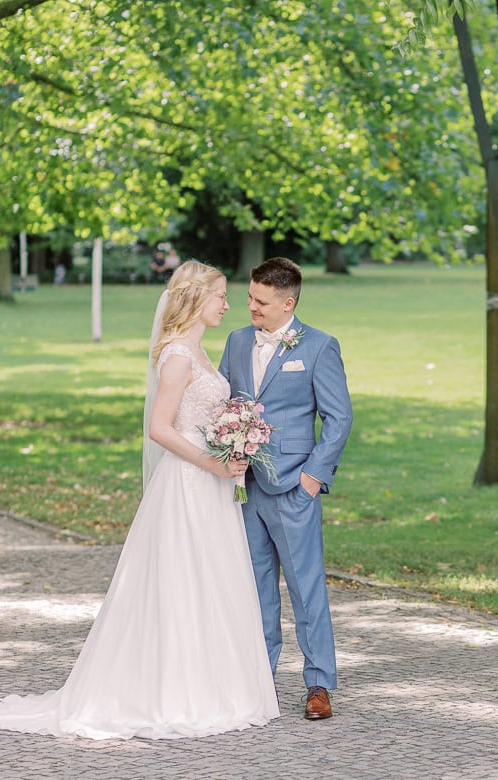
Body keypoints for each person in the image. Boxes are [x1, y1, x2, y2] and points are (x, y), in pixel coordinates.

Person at [0, 261, 280, 739]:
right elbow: (160, 428)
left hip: (213, 484)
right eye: (221, 295)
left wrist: (233, 444)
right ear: (196, 298)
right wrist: (212, 461)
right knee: (183, 579)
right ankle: (174, 692)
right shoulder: (177, 355)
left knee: (212, 578)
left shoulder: (199, 352)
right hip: (188, 483)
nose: (227, 304)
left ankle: (216, 684)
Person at [219, 256, 352, 720]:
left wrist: (312, 478)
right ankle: (259, 680)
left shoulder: (319, 346)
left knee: (306, 588)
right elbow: (225, 403)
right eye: (249, 297)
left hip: (295, 486)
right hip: (245, 487)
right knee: (255, 588)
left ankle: (319, 684)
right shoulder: (237, 341)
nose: (250, 306)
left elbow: (338, 418)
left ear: (287, 303)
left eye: (260, 301)